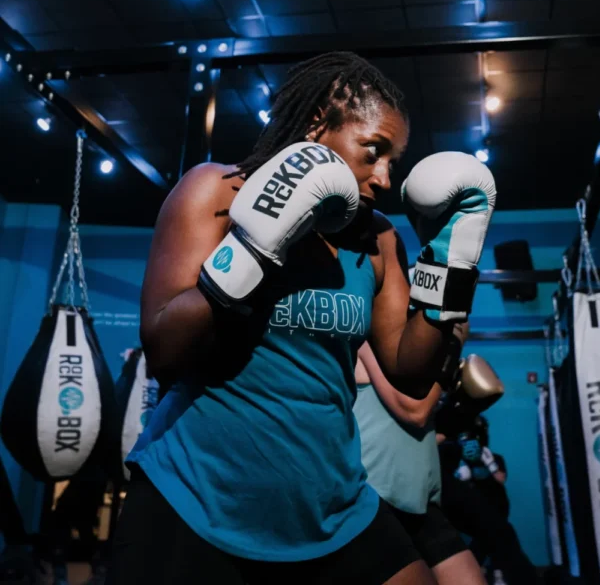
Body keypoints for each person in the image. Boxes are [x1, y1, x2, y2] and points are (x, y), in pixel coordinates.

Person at [108, 50, 496, 585]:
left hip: (331, 500)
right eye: (374, 151)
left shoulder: (377, 238)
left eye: (394, 161)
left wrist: (452, 261)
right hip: (197, 492)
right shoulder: (217, 191)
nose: (385, 177)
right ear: (319, 127)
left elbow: (409, 371)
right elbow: (164, 350)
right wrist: (254, 247)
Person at [354, 320, 502, 585]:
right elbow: (415, 410)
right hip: (376, 499)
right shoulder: (368, 339)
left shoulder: (416, 354)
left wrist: (462, 412)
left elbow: (425, 433)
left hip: (418, 499)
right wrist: (452, 344)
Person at [438, 408, 538, 585]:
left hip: (491, 512)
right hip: (460, 517)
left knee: (497, 541)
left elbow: (500, 479)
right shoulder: (449, 457)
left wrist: (485, 465)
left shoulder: (491, 457)